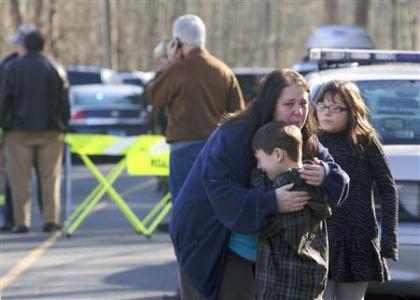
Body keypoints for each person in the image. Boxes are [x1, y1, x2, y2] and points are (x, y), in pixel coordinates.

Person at [169, 69, 349, 299]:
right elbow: (221, 192)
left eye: (303, 103)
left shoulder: (301, 136)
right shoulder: (233, 136)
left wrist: (325, 174)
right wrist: (272, 202)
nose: (299, 111)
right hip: (209, 239)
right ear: (270, 104)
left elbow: (341, 181)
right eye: (289, 104)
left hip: (263, 250)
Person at [145, 15, 244, 299]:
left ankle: (187, 289)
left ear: (177, 42)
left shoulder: (179, 70)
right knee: (217, 221)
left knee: (186, 224)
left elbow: (153, 97)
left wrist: (170, 65)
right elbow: (238, 114)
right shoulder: (223, 70)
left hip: (185, 154)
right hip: (219, 153)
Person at [313, 80, 399, 300]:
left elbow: (387, 189)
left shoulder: (365, 142)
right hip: (321, 239)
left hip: (358, 239)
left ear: (352, 111)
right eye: (322, 106)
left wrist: (389, 239)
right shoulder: (312, 142)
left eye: (335, 108)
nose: (326, 113)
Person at [249, 121, 331, 299]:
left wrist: (260, 195)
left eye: (260, 159)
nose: (259, 167)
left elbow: (265, 226)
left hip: (284, 288)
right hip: (309, 284)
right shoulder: (313, 183)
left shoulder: (288, 189)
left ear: (278, 154)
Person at [0, 30, 70, 234]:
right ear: (42, 47)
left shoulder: (12, 68)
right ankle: (51, 220)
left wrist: (5, 123)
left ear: (24, 46)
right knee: (51, 179)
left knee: (19, 180)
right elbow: (64, 98)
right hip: (51, 132)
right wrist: (63, 123)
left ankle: (21, 222)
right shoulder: (54, 67)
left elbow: (4, 99)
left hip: (18, 132)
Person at [0, 24, 44, 232]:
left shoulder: (46, 67)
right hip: (14, 129)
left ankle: (47, 220)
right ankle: (10, 217)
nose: (17, 46)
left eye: (19, 42)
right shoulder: (7, 64)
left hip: (27, 129)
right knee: (13, 179)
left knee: (41, 179)